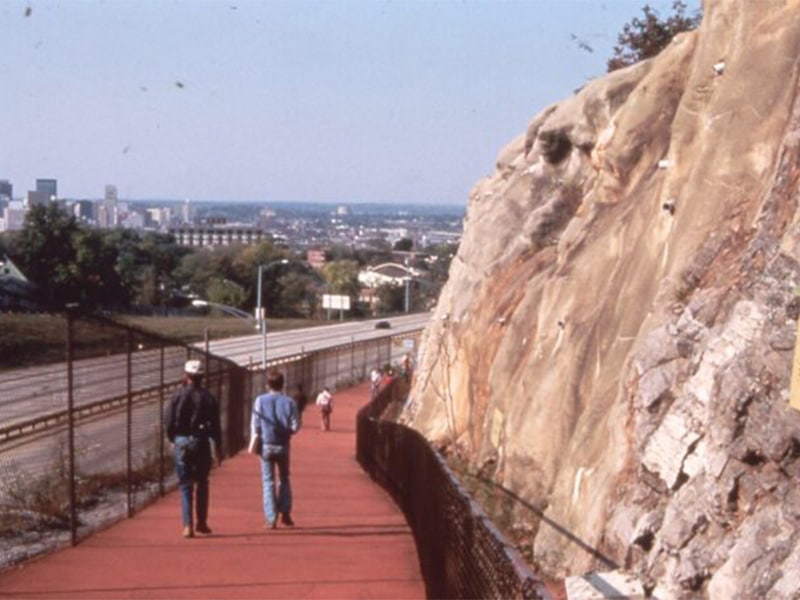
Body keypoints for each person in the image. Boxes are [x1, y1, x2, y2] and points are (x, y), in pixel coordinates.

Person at [165, 359, 223, 538]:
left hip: (182, 441)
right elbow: (215, 425)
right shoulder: (208, 397)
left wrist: (173, 438)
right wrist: (218, 447)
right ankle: (202, 522)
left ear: (186, 376)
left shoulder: (177, 396)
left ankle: (187, 525)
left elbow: (168, 421)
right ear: (201, 377)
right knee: (203, 483)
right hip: (201, 441)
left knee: (185, 485)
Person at [251, 369, 301, 529]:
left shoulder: (260, 400)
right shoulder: (289, 402)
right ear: (282, 384)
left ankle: (271, 517)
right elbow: (296, 425)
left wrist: (257, 437)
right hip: (283, 445)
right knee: (284, 478)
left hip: (266, 444)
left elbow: (255, 424)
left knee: (268, 481)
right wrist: (288, 432)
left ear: (267, 385)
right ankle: (285, 512)